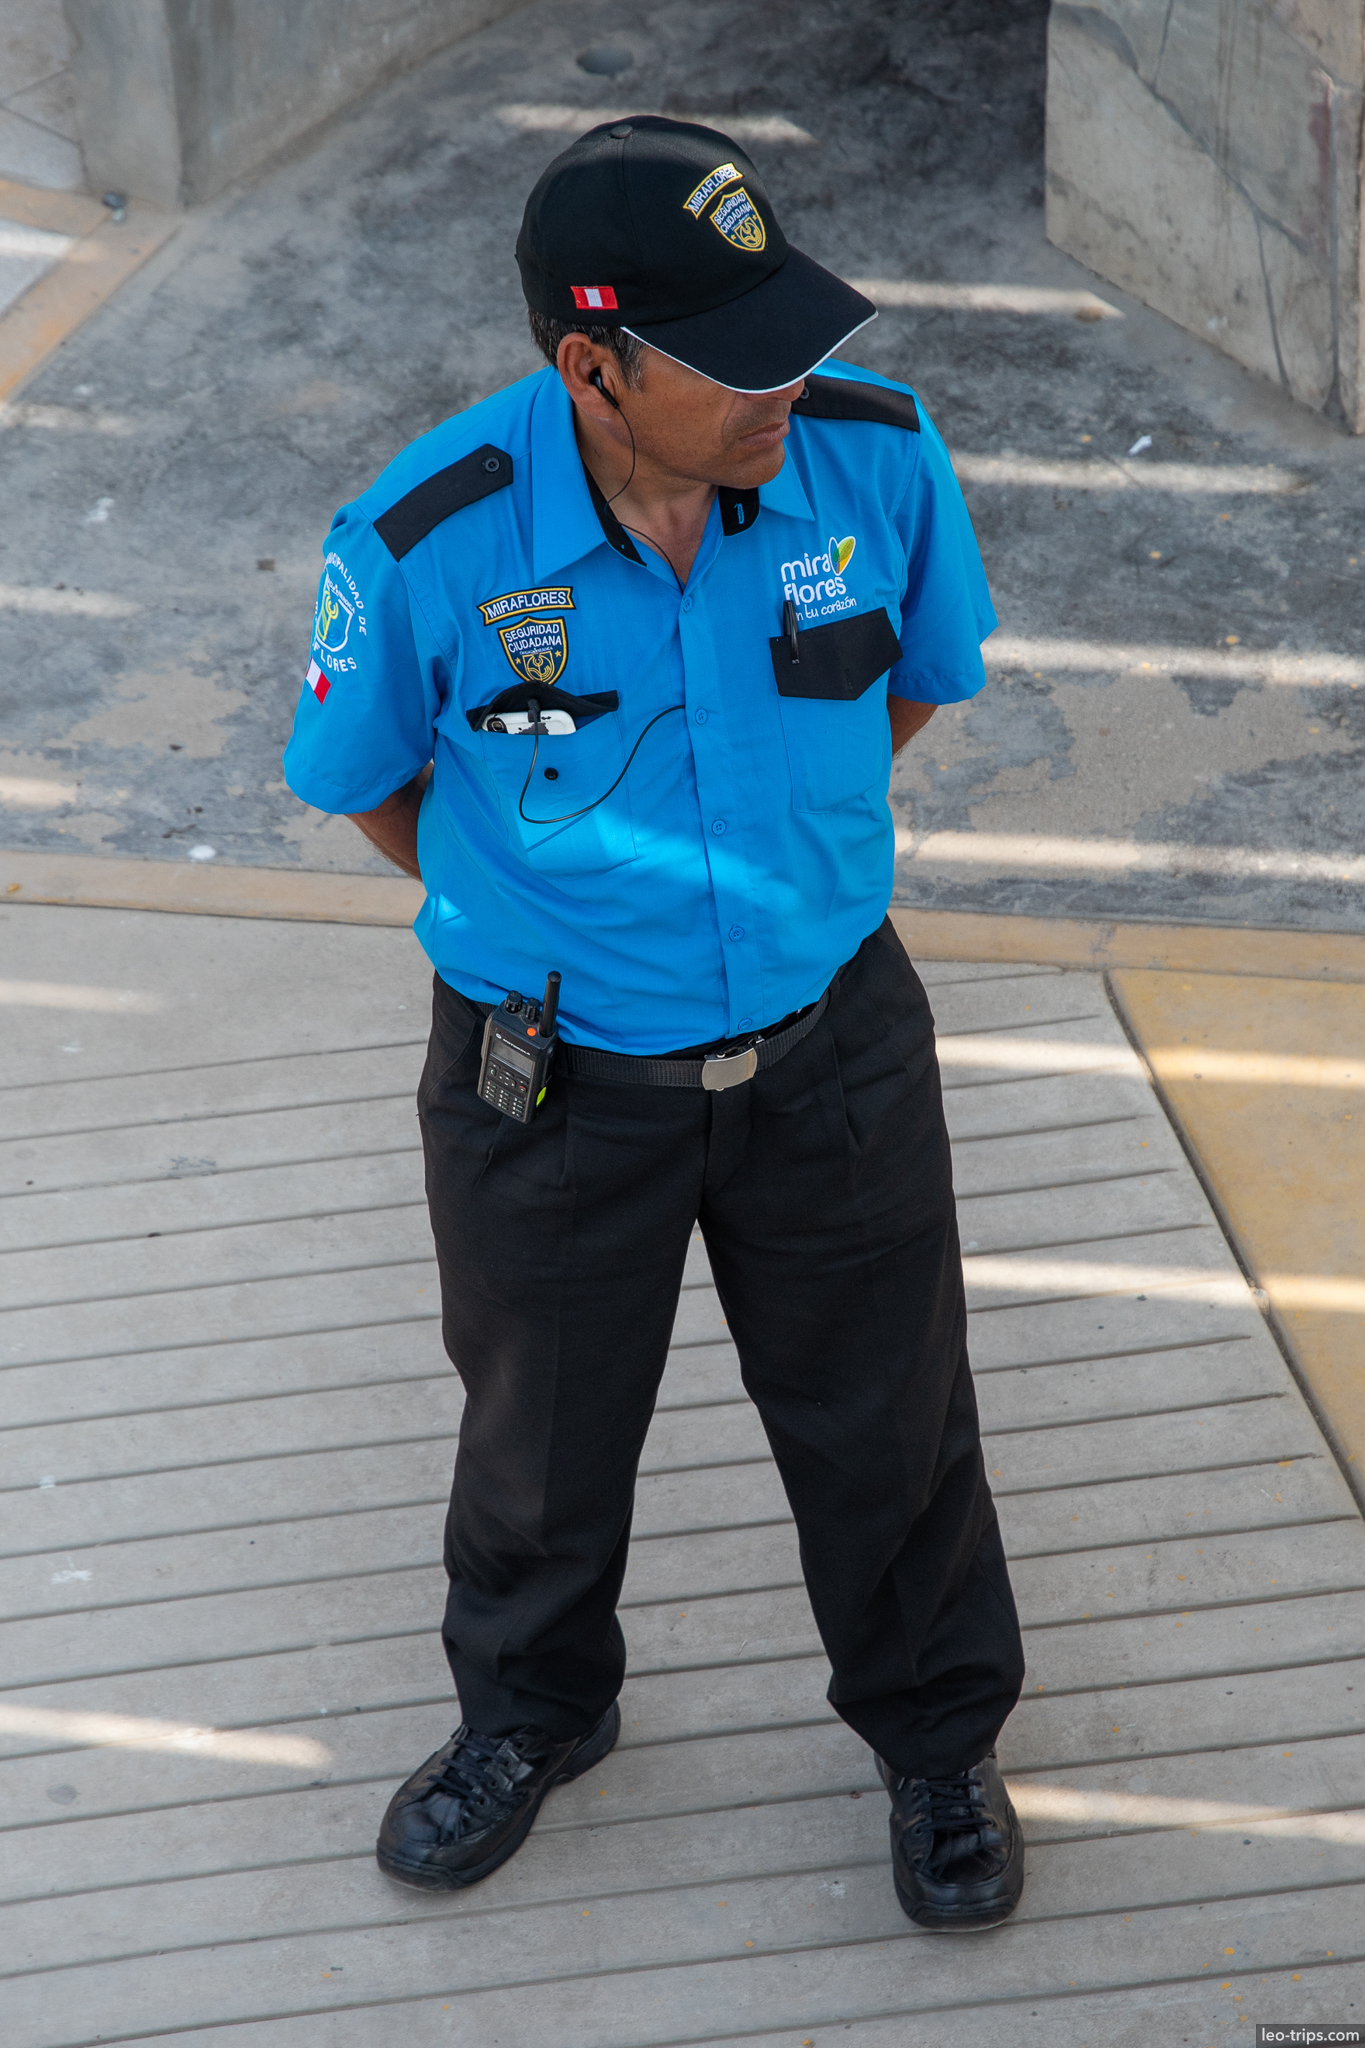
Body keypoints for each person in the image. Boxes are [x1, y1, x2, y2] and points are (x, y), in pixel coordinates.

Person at [283, 115, 1025, 1933]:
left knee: (892, 1423)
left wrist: (778, 877)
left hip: (830, 1039)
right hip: (546, 1073)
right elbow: (368, 781)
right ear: (590, 368)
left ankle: (936, 1744)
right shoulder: (425, 539)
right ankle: (531, 1716)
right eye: (732, 357)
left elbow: (909, 689)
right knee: (537, 1437)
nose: (787, 383)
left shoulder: (876, 457)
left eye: (791, 336)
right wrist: (543, 920)